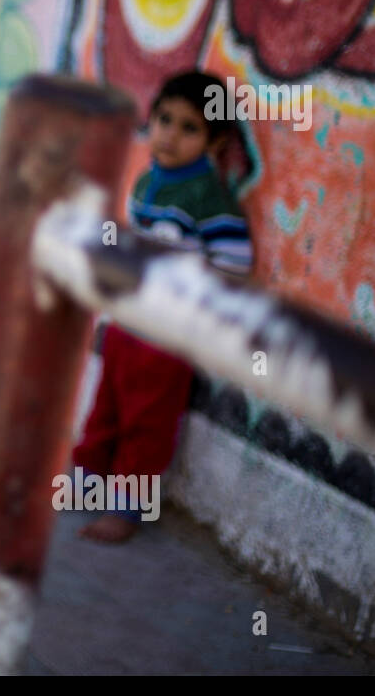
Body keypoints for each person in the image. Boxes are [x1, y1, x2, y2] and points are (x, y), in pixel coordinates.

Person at [73, 70, 253, 542]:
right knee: (105, 407)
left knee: (146, 422)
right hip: (125, 324)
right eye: (164, 119)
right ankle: (86, 480)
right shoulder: (147, 181)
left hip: (166, 337)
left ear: (215, 143)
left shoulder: (209, 200)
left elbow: (234, 266)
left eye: (189, 127)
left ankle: (127, 509)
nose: (170, 134)